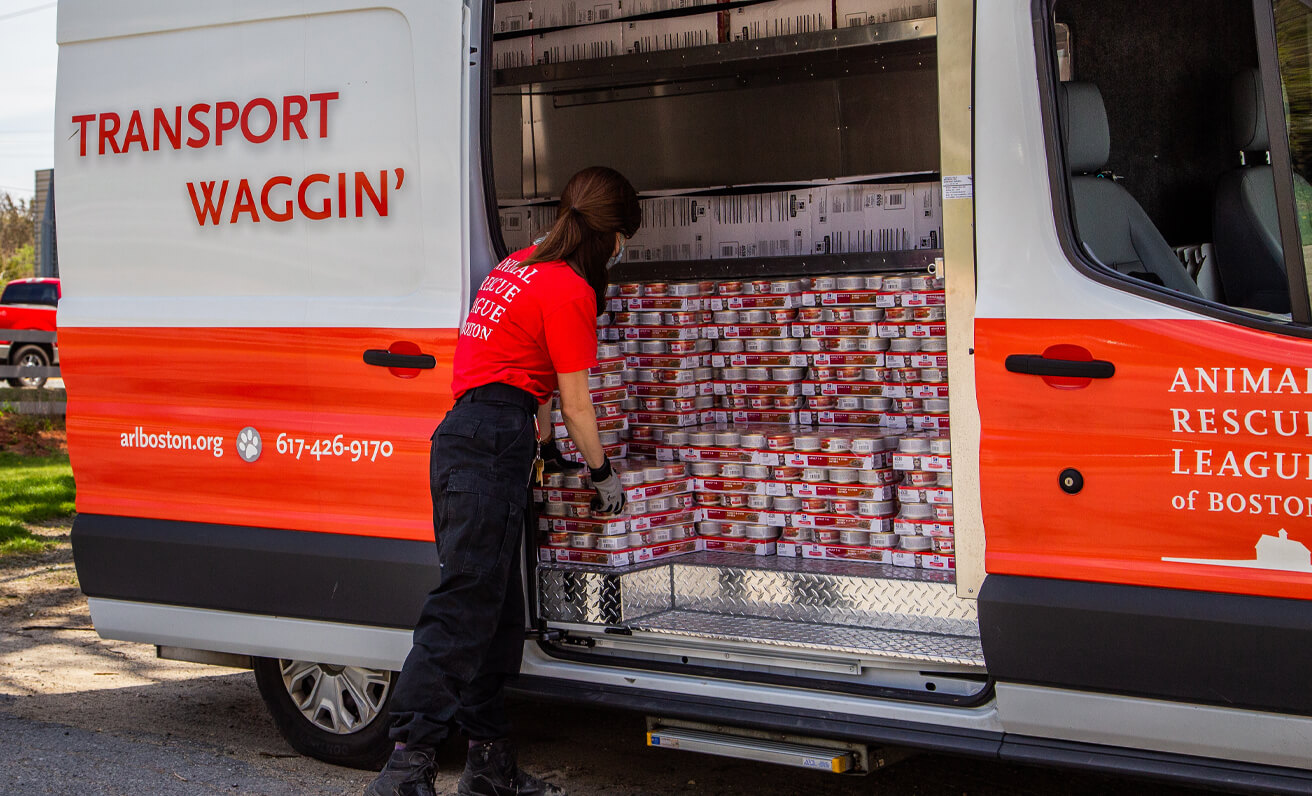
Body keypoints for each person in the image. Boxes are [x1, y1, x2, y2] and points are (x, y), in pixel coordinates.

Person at [365, 166, 641, 796]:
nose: (624, 253)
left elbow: (523, 378)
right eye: (625, 240)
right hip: (490, 444)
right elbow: (576, 405)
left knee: (498, 613)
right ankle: (407, 761)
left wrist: (543, 447)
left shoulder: (516, 267)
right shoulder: (569, 289)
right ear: (610, 237)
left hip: (475, 434)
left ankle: (490, 765)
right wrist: (602, 474)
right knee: (465, 605)